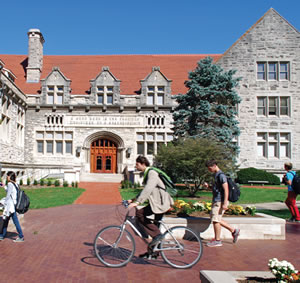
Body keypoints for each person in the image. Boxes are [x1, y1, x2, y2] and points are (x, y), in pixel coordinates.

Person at [128, 155, 174, 259]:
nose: (136, 166)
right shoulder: (148, 173)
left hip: (160, 203)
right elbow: (145, 190)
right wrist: (133, 199)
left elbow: (148, 188)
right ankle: (153, 253)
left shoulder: (152, 173)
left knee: (140, 214)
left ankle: (157, 237)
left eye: (137, 164)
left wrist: (138, 202)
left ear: (143, 164)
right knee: (155, 228)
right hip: (157, 202)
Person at [204, 160, 240, 247]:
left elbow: (226, 189)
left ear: (214, 165)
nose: (209, 170)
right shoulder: (216, 175)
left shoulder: (221, 175)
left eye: (210, 168)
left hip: (220, 201)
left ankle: (218, 240)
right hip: (216, 200)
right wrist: (208, 187)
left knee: (216, 219)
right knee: (216, 218)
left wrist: (225, 203)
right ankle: (233, 231)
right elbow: (216, 189)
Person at [0, 171, 24, 242]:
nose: (6, 177)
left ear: (10, 176)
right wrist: (4, 186)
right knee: (5, 221)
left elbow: (8, 196)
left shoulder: (10, 184)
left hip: (10, 207)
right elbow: (11, 192)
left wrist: (3, 204)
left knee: (15, 222)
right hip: (13, 205)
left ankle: (21, 236)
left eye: (7, 176)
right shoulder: (15, 184)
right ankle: (2, 235)